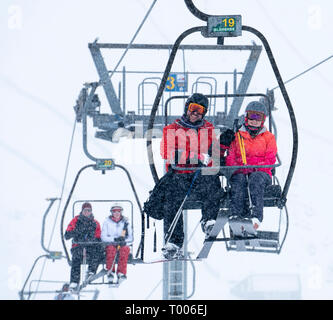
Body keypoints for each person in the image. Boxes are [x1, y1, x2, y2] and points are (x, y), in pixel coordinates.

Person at [160, 93, 225, 258]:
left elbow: (214, 156)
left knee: (212, 181)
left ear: (204, 113)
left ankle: (209, 221)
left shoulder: (209, 130)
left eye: (200, 110)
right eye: (192, 109)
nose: (195, 113)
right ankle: (174, 241)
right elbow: (168, 153)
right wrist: (195, 156)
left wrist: (207, 158)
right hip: (179, 174)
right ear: (186, 108)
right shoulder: (172, 129)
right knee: (172, 196)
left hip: (200, 174)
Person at [225, 101, 277, 230]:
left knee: (255, 179)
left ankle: (255, 216)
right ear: (246, 117)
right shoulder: (237, 136)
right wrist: (237, 168)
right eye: (251, 116)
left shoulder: (268, 137)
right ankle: (236, 215)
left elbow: (270, 159)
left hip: (261, 174)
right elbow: (231, 157)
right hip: (241, 171)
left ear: (263, 120)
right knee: (239, 181)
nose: (254, 121)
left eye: (257, 117)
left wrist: (253, 167)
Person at [64, 202, 103, 291]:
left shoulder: (95, 223)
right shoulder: (76, 220)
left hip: (90, 246)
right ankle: (74, 281)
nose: (87, 212)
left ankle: (91, 271)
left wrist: (93, 240)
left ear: (91, 211)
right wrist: (76, 232)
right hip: (78, 245)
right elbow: (67, 235)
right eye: (85, 210)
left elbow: (98, 236)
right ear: (82, 211)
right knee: (76, 258)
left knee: (98, 251)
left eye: (89, 210)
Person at [101, 204, 133, 284]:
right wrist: (114, 239)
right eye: (114, 211)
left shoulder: (126, 223)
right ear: (112, 212)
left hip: (122, 244)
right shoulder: (107, 222)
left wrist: (124, 241)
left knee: (125, 250)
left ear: (121, 212)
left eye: (118, 211)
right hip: (111, 244)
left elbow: (131, 238)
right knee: (111, 250)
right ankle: (110, 272)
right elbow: (103, 237)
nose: (117, 213)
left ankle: (121, 273)